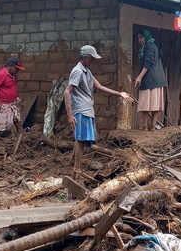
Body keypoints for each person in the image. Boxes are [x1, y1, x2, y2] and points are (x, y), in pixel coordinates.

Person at [64, 45, 134, 173]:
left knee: (82, 138)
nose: (93, 61)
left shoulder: (87, 71)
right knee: (80, 140)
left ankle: (71, 164)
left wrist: (120, 94)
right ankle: (76, 169)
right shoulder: (78, 71)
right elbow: (67, 92)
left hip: (87, 109)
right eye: (91, 59)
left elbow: (100, 87)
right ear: (85, 57)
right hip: (81, 109)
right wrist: (69, 114)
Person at [134, 29, 168, 131]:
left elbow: (148, 62)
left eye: (141, 37)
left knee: (145, 103)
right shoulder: (152, 45)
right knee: (155, 103)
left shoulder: (149, 46)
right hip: (157, 79)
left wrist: (140, 76)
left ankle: (145, 126)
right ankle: (152, 126)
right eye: (138, 38)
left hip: (149, 79)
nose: (139, 40)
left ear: (146, 37)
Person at [0, 57, 25, 135]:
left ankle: (22, 138)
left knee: (18, 122)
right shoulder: (1, 75)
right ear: (10, 66)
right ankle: (0, 143)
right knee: (2, 128)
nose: (18, 70)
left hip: (12, 104)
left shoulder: (13, 75)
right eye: (16, 68)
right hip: (3, 105)